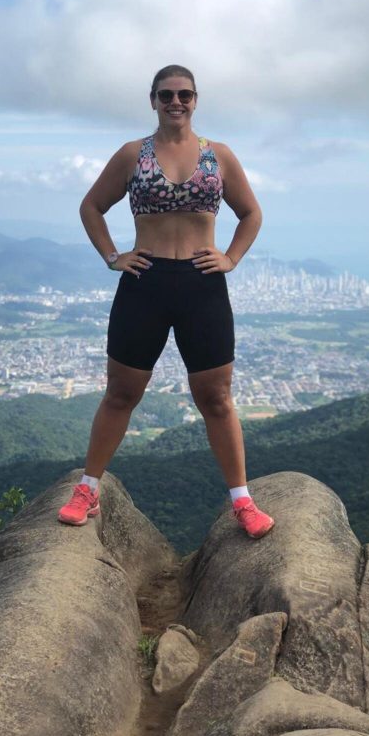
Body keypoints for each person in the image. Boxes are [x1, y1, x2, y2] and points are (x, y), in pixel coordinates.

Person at [58, 64, 274, 539]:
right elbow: (91, 206)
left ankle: (242, 501)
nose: (176, 102)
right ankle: (88, 488)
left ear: (197, 100)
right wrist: (113, 256)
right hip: (146, 280)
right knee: (121, 393)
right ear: (152, 100)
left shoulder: (219, 156)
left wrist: (231, 258)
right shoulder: (133, 155)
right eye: (166, 94)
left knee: (216, 398)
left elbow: (251, 212)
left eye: (185, 94)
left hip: (202, 284)